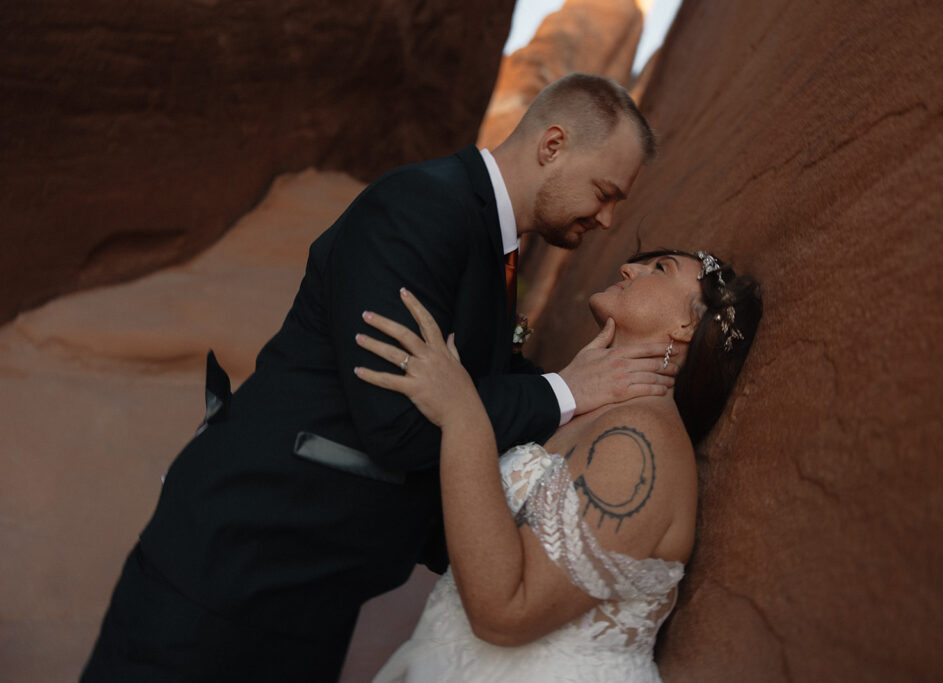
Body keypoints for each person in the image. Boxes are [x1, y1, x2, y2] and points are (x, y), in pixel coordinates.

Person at [82, 74, 678, 682]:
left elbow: (469, 379)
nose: (607, 219)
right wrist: (567, 391)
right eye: (605, 192)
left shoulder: (487, 238)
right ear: (552, 145)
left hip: (313, 587)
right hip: (235, 562)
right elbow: (398, 421)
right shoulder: (419, 207)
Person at [355, 249, 763, 682]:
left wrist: (462, 413)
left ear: (686, 326)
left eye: (660, 269)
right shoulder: (592, 413)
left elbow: (508, 610)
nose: (628, 268)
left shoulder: (641, 439)